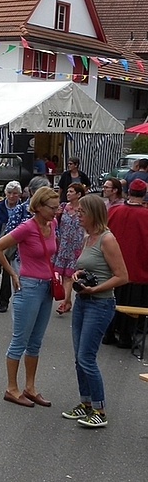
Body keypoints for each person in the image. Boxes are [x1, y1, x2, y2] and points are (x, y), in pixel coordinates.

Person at [0, 187, 60, 408]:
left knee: (36, 341)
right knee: (20, 340)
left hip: (46, 286)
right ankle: (12, 388)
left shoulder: (52, 224)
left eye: (58, 207)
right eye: (52, 207)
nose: (56, 212)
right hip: (28, 285)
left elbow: (51, 252)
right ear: (38, 207)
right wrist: (12, 273)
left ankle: (30, 387)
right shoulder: (27, 227)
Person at [61, 195, 128, 428]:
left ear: (93, 214)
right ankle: (85, 403)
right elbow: (86, 266)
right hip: (83, 302)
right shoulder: (87, 237)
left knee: (87, 358)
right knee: (79, 357)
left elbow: (122, 276)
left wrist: (95, 288)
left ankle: (100, 409)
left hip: (100, 303)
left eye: (81, 213)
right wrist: (79, 276)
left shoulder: (107, 239)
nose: (77, 216)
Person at [104, 178, 148, 348]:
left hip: (113, 267)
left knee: (112, 300)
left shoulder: (114, 211)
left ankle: (108, 333)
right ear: (144, 195)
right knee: (133, 303)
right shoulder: (146, 215)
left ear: (129, 192)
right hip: (137, 268)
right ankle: (126, 336)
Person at [0, 181, 22, 312]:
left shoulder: (22, 208)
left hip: (13, 243)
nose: (12, 196)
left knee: (8, 272)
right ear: (5, 193)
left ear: (19, 195)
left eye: (15, 194)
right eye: (9, 193)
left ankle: (4, 301)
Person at [52, 183, 87, 314]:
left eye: (71, 191)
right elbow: (54, 223)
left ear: (79, 194)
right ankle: (67, 301)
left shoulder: (83, 209)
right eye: (68, 191)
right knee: (60, 274)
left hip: (76, 246)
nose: (68, 193)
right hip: (62, 245)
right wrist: (57, 215)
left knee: (69, 276)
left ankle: (64, 302)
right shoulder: (62, 207)